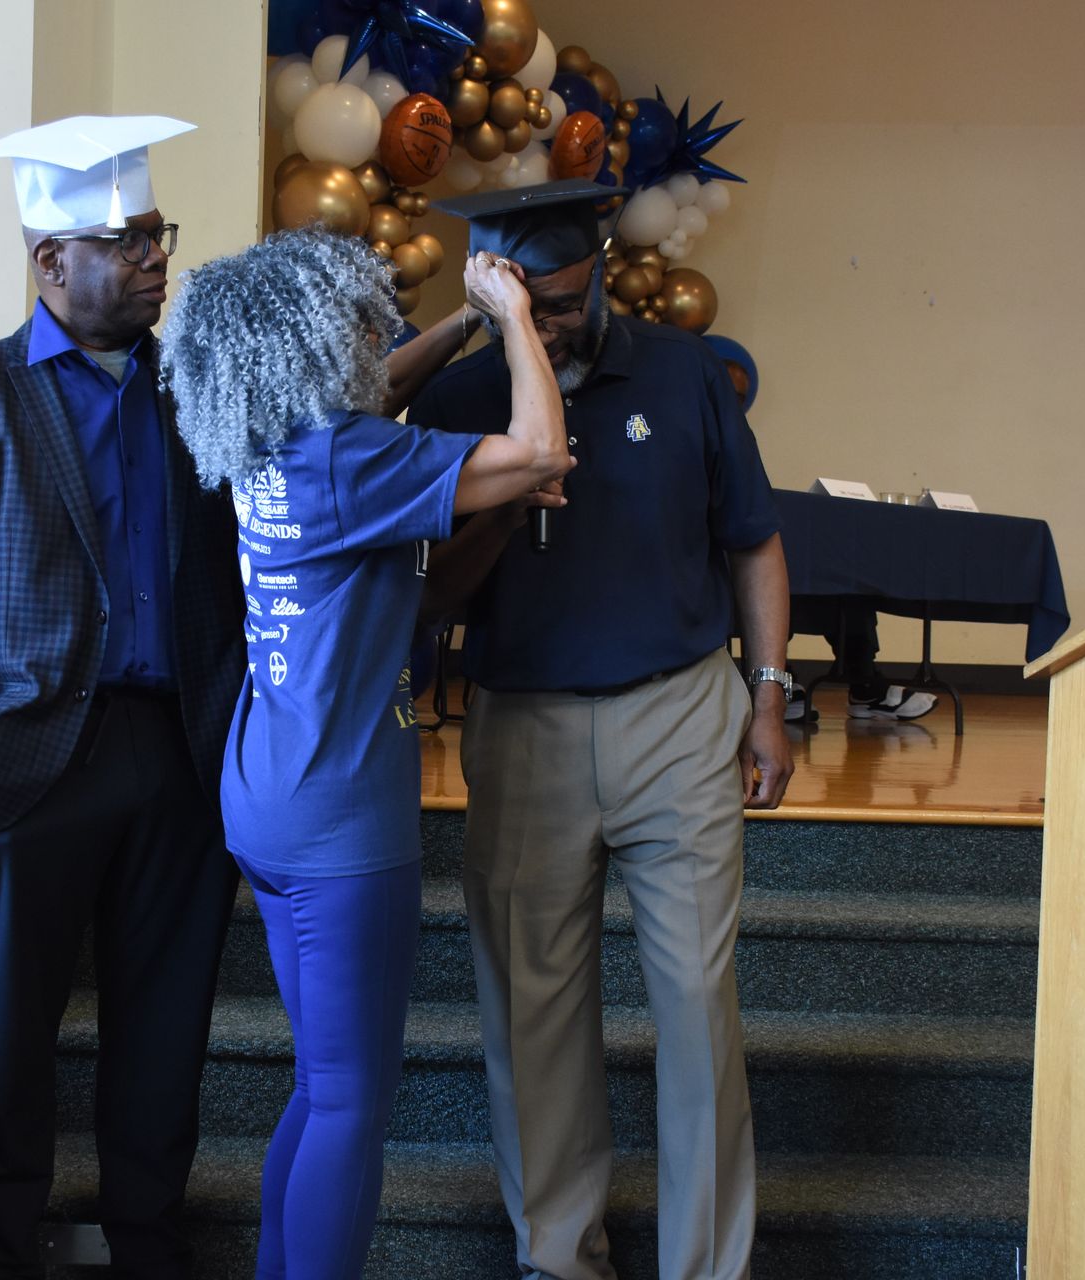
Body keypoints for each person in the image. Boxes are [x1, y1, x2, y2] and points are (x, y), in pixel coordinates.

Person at [0, 116, 245, 1280]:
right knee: (11, 1035)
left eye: (157, 235)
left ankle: (148, 1241)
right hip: (32, 764)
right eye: (125, 240)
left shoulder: (196, 398)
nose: (154, 260)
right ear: (48, 262)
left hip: (180, 756)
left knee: (165, 1027)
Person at [158, 228, 572, 1280]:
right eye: (353, 318)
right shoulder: (345, 456)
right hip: (342, 816)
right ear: (304, 342)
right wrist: (518, 318)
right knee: (351, 1098)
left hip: (267, 792)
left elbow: (386, 393)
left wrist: (463, 323)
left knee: (319, 1082)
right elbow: (539, 448)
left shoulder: (267, 437)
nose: (374, 330)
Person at [411, 180, 793, 1280]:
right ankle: (559, 1253)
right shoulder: (461, 397)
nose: (557, 324)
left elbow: (753, 539)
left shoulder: (683, 372)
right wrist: (521, 489)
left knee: (694, 1001)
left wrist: (766, 693)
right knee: (531, 1007)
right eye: (533, 305)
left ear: (601, 279)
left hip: (679, 710)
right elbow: (429, 599)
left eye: (569, 302)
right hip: (523, 723)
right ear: (492, 292)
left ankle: (704, 1264)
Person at [702, 335, 937, 724]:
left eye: (740, 397)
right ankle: (773, 682)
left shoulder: (740, 443)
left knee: (844, 582)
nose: (733, 403)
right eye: (726, 391)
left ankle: (863, 684)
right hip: (707, 574)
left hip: (749, 560)